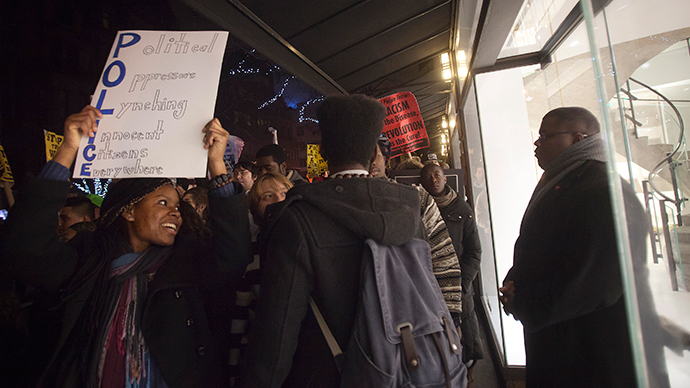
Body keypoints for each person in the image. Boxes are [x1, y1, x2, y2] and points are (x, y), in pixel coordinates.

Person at [0, 106, 252, 388]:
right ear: (129, 212)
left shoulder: (188, 261)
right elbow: (23, 251)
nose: (176, 213)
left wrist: (217, 166)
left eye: (177, 205)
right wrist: (68, 149)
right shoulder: (88, 258)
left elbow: (234, 255)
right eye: (163, 203)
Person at [241, 95, 429, 387]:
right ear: (373, 155)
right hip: (402, 370)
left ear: (324, 152)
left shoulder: (298, 218)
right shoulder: (409, 211)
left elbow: (277, 335)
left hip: (327, 373)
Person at [499, 107, 669, 388]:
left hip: (588, 353)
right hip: (566, 343)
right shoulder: (570, 181)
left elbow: (595, 281)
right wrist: (516, 281)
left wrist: (527, 304)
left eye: (546, 135)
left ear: (578, 139)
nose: (537, 143)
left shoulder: (601, 190)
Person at [370, 135, 463, 333]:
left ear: (385, 159)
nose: (371, 163)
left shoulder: (417, 199)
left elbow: (444, 259)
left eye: (376, 155)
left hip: (420, 320)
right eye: (364, 155)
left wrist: (452, 316)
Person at [420, 163, 483, 375]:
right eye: (428, 177)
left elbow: (474, 251)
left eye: (437, 175)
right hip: (429, 288)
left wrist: (462, 284)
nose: (433, 180)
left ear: (445, 178)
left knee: (465, 349)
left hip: (459, 290)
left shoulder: (462, 210)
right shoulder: (419, 211)